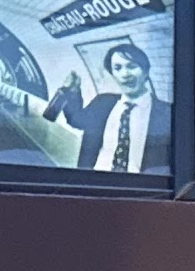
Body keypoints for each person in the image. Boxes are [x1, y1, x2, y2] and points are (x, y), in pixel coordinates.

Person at [46, 39, 171, 176]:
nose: (125, 74)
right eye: (117, 68)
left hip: (140, 186)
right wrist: (70, 90)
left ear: (146, 72)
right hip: (96, 182)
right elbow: (75, 120)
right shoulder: (102, 103)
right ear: (113, 74)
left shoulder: (167, 113)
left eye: (131, 66)